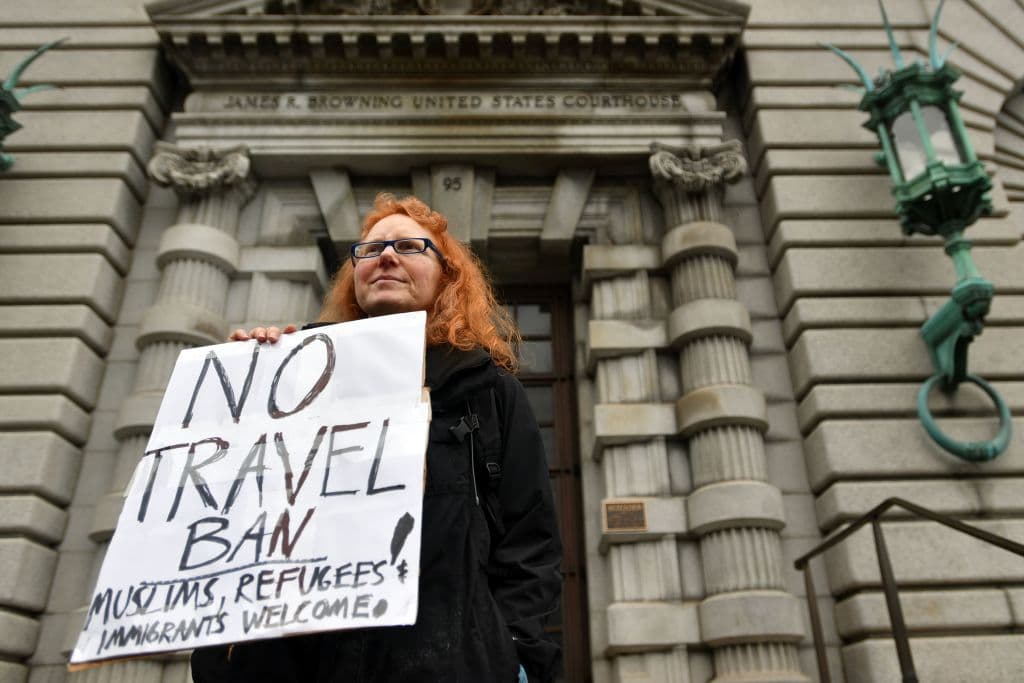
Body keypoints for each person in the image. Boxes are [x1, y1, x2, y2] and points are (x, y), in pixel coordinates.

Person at [191, 193, 563, 683]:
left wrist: (512, 656)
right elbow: (235, 513)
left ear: (447, 277)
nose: (386, 256)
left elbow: (530, 546)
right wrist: (251, 382)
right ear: (355, 276)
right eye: (369, 250)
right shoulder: (292, 381)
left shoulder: (490, 393)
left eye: (410, 247)